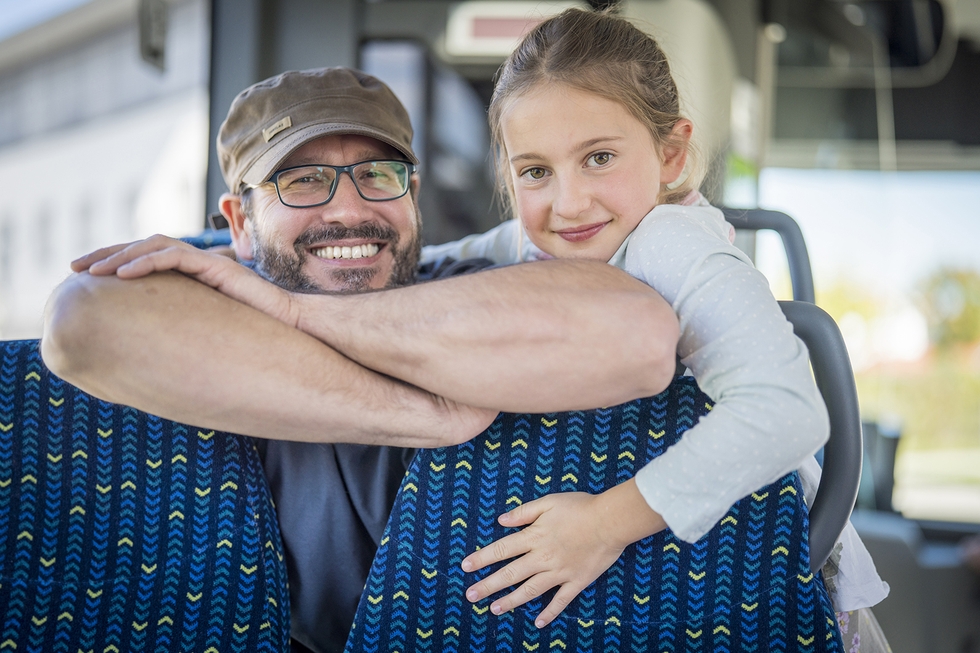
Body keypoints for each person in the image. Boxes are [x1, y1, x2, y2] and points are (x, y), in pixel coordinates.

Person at [42, 66, 682, 653]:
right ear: (239, 224)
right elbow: (77, 324)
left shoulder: (471, 293)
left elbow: (641, 335)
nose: (350, 211)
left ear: (412, 199)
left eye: (379, 175)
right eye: (302, 180)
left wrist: (302, 315)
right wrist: (426, 415)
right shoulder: (203, 311)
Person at [417, 7, 888, 637]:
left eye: (600, 158)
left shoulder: (671, 242)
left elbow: (785, 413)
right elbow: (453, 258)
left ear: (670, 154)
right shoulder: (540, 242)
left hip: (747, 558)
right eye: (535, 171)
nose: (569, 201)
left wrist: (598, 527)